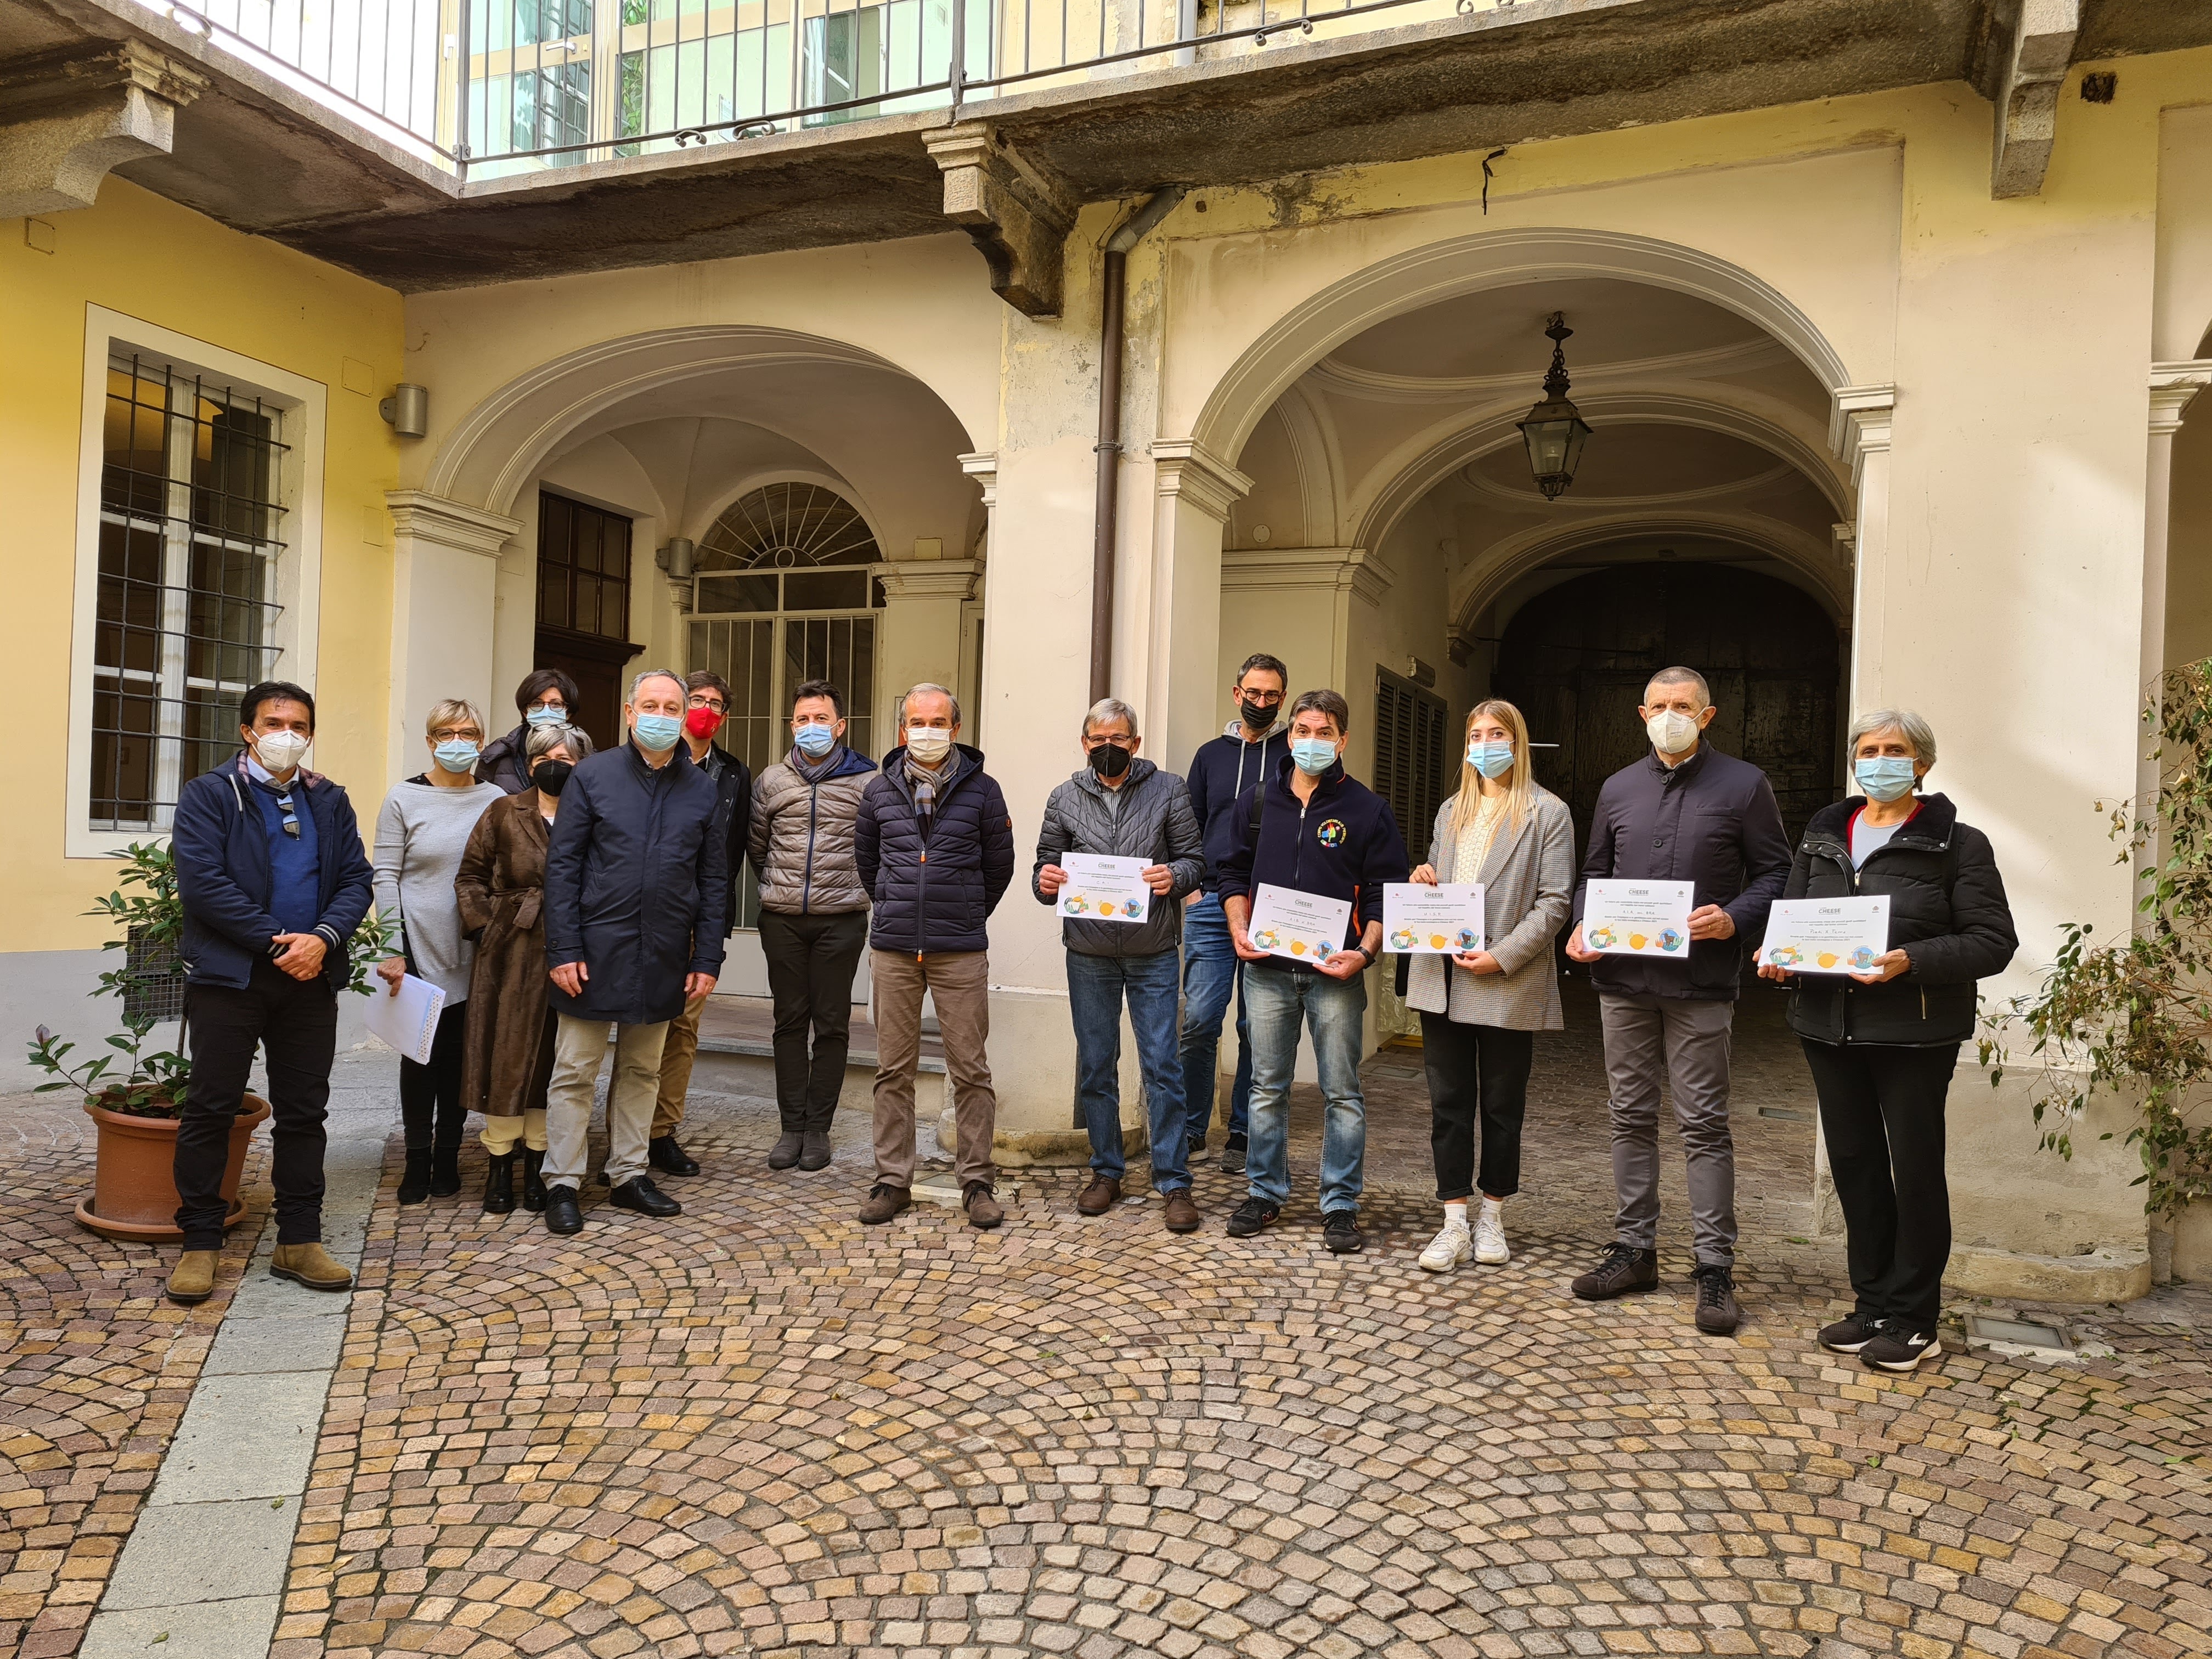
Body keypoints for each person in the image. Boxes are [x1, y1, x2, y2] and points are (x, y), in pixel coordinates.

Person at [1760, 709, 2016, 1374]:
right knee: (1856, 1169)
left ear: (1921, 765)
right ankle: (1872, 1304)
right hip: (1828, 1027)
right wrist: (1779, 958)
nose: (1880, 760)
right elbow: (1791, 920)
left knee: (1915, 1173)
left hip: (1915, 1034)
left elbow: (1993, 941)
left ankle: (1915, 1318)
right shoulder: (1822, 837)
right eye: (1868, 750)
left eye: (1895, 750)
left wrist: (1911, 959)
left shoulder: (1960, 843)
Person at [1564, 665, 1791, 1336]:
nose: (1671, 714)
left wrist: (1736, 917)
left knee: (1703, 1123)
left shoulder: (1745, 786)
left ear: (1708, 714)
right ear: (1641, 714)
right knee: (1629, 1115)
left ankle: (1714, 1267)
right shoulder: (1617, 788)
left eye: (1683, 705)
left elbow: (1777, 870)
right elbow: (1593, 872)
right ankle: (1634, 1250)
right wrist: (1583, 923)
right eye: (1659, 705)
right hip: (1624, 982)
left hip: (1700, 982)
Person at [165, 681, 374, 1305]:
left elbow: (356, 879)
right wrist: (281, 943)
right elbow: (203, 885)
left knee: (305, 1112)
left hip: (311, 981)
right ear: (248, 730)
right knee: (211, 1107)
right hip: (233, 979)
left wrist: (325, 939)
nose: (288, 734)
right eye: (275, 721)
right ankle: (201, 1244)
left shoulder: (329, 800)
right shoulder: (209, 795)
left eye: (300, 725)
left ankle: (299, 1240)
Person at [1217, 687, 1409, 1254]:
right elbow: (1231, 872)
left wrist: (1366, 952)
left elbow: (1384, 892)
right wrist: (1238, 928)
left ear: (1343, 739)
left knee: (1342, 1092)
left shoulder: (1368, 810)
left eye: (1324, 732)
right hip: (1269, 970)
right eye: (1303, 730)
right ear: (1290, 734)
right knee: (1266, 1087)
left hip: (1335, 974)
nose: (1312, 741)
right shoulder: (1256, 803)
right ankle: (1264, 1192)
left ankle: (1341, 1205)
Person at [539, 669, 729, 1235]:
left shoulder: (701, 788)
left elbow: (715, 879)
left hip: (666, 951)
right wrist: (563, 947)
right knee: (574, 1070)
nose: (662, 717)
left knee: (644, 1068)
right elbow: (563, 867)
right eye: (652, 705)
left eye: (673, 708)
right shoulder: (592, 777)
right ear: (629, 713)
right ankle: (563, 1182)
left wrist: (708, 958)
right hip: (593, 949)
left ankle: (627, 1174)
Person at [1404, 700, 1574, 1273]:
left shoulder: (1547, 813)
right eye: (1476, 734)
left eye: (1496, 733)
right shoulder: (1453, 809)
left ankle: (1493, 1215)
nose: (1484, 743)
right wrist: (1423, 878)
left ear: (1516, 741)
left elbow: (1555, 903)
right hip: (1443, 979)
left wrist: (1500, 957)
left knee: (1503, 1107)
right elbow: (1441, 885)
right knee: (1448, 1106)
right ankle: (1454, 1220)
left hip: (1505, 979)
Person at [1034, 699, 1207, 1231]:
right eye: (1097, 739)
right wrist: (1045, 881)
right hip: (1088, 953)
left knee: (1162, 1066)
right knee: (1096, 1065)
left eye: (1119, 738)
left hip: (1152, 949)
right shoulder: (1064, 797)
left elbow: (1195, 861)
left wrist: (1173, 877)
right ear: (1084, 744)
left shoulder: (1169, 790)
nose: (1108, 747)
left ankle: (1174, 1181)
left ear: (1135, 743)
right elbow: (1046, 865)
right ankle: (1106, 1171)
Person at [854, 683, 1015, 1230]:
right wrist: (898, 904)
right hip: (895, 949)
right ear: (903, 729)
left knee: (970, 1069)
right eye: (917, 721)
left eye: (938, 720)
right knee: (892, 1070)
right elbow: (867, 860)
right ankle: (891, 1180)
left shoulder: (984, 790)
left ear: (956, 728)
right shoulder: (879, 790)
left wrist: (964, 912)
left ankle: (976, 1181)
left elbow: (1000, 868)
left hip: (959, 949)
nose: (928, 730)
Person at [456, 721, 592, 1214]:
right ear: (530, 765)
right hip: (509, 951)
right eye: (543, 759)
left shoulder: (594, 813)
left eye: (567, 758)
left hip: (571, 952)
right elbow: (469, 875)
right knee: (505, 1056)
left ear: (582, 765)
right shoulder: (502, 810)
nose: (554, 766)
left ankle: (538, 1166)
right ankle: (498, 1166)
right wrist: (485, 927)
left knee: (553, 1063)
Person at [372, 699, 504, 1203]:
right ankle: (417, 1161)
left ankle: (447, 1156)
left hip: (475, 948)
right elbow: (385, 874)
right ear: (430, 741)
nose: (457, 741)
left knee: (457, 1058)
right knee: (419, 1056)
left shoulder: (495, 798)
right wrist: (392, 945)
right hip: (416, 946)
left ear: (480, 740)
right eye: (446, 733)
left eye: (468, 732)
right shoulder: (403, 798)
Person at [749, 678, 877, 1171]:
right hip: (782, 920)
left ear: (840, 726)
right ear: (791, 725)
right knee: (787, 1023)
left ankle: (818, 1130)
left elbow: (875, 850)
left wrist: (848, 892)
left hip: (840, 920)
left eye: (820, 719)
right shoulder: (771, 781)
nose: (811, 727)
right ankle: (791, 1128)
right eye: (802, 719)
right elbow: (759, 848)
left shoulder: (868, 782)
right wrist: (785, 889)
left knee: (831, 1025)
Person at [1180, 652, 1290, 1173]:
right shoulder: (1209, 756)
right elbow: (1188, 825)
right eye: (1254, 693)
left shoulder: (1295, 755)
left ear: (1282, 698)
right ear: (1236, 693)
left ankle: (1243, 1131)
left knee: (1256, 1025)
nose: (1262, 702)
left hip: (1272, 907)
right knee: (1201, 1020)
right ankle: (1193, 1128)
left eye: (1271, 695)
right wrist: (1192, 893)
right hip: (1208, 904)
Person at [647, 669, 754, 1178]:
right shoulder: (643, 764)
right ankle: (626, 1129)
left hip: (700, 918)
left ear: (724, 716)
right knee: (640, 1024)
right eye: (697, 700)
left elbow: (731, 855)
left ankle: (661, 1132)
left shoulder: (734, 772)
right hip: (643, 915)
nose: (705, 708)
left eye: (715, 702)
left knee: (684, 1030)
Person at [477, 668, 582, 794]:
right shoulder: (496, 756)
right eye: (537, 703)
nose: (546, 710)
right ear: (525, 711)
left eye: (556, 704)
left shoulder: (586, 756)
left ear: (568, 713)